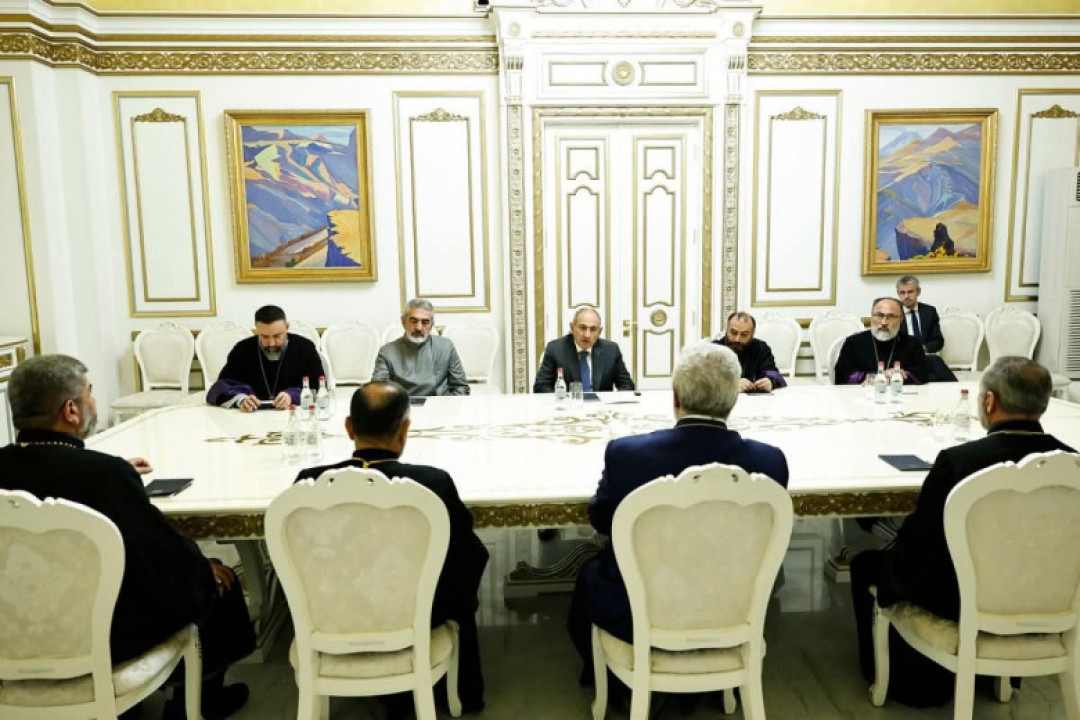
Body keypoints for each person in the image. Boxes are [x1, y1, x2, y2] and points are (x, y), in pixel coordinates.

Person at [0, 354, 255, 719]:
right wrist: (204, 568)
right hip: (102, 638)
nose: (93, 401)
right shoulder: (105, 476)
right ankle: (195, 704)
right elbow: (161, 559)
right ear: (71, 410)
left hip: (10, 636)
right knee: (214, 579)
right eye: (90, 393)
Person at [850, 357, 1074, 707]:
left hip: (961, 600)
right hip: (1049, 596)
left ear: (989, 402)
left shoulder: (959, 462)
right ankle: (997, 679)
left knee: (868, 564)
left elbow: (920, 546)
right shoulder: (1071, 463)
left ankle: (909, 683)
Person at [566, 342, 788, 678]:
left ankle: (613, 683)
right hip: (732, 604)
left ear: (675, 398)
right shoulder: (770, 462)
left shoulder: (626, 455)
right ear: (734, 397)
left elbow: (602, 519)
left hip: (640, 608)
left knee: (589, 575)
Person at [296, 380, 487, 713]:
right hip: (416, 616)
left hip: (332, 614)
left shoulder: (309, 483)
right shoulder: (432, 483)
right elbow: (470, 558)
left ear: (349, 427)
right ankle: (459, 691)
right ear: (404, 430)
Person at [207, 304, 324, 411]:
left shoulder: (305, 347)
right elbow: (220, 387)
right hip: (250, 417)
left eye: (277, 336)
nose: (271, 343)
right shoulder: (242, 349)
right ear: (257, 329)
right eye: (265, 337)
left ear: (287, 327)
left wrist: (292, 396)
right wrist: (241, 400)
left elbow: (319, 387)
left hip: (292, 413)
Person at [372, 299, 470, 397]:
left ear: (431, 325)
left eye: (425, 322)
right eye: (413, 321)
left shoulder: (446, 347)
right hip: (402, 404)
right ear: (403, 321)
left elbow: (461, 387)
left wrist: (448, 404)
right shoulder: (387, 352)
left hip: (440, 403)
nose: (419, 327)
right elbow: (377, 391)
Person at [533, 306, 635, 393]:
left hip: (601, 407)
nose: (587, 335)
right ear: (572, 328)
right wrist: (563, 400)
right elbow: (541, 386)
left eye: (593, 329)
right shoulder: (555, 349)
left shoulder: (611, 350)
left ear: (599, 332)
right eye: (582, 328)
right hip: (568, 406)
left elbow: (627, 385)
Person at [834, 297, 928, 386]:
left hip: (900, 393)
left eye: (891, 316)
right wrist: (875, 377)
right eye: (879, 315)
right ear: (872, 316)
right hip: (863, 393)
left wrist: (899, 375)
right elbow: (841, 376)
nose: (884, 322)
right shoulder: (853, 342)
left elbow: (922, 374)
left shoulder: (913, 343)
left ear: (901, 319)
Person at [896, 275, 957, 383]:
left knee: (934, 373)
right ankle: (958, 388)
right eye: (902, 293)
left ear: (918, 292)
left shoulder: (929, 311)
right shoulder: (893, 313)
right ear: (898, 294)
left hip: (924, 357)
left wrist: (922, 348)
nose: (906, 296)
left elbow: (938, 341)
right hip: (902, 359)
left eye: (910, 292)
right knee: (935, 363)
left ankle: (955, 388)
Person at [712, 311, 787, 392]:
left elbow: (774, 374)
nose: (737, 339)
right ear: (727, 330)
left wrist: (770, 382)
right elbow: (706, 380)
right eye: (733, 333)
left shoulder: (761, 348)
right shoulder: (714, 348)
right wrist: (731, 384)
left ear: (752, 334)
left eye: (744, 334)